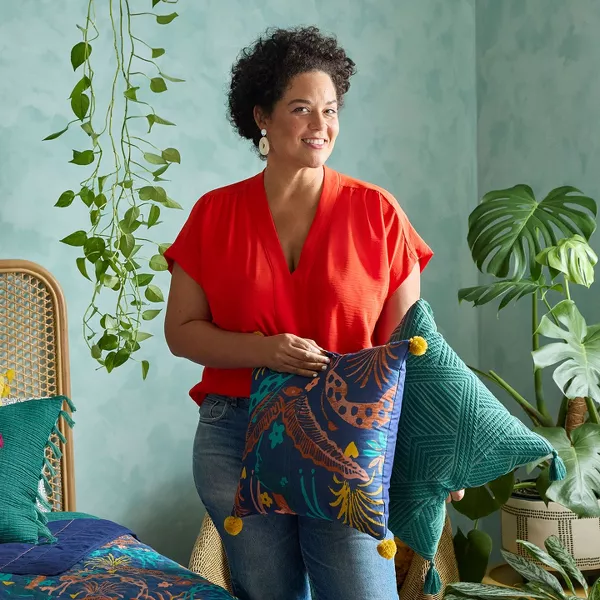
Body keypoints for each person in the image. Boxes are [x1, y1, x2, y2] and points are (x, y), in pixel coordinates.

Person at [164, 25, 463, 600]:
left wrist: (439, 446)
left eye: (330, 110)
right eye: (301, 109)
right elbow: (182, 333)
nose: (321, 126)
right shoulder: (214, 214)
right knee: (269, 592)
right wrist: (265, 349)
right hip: (236, 433)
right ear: (262, 117)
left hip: (349, 436)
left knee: (361, 589)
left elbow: (412, 346)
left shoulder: (377, 212)